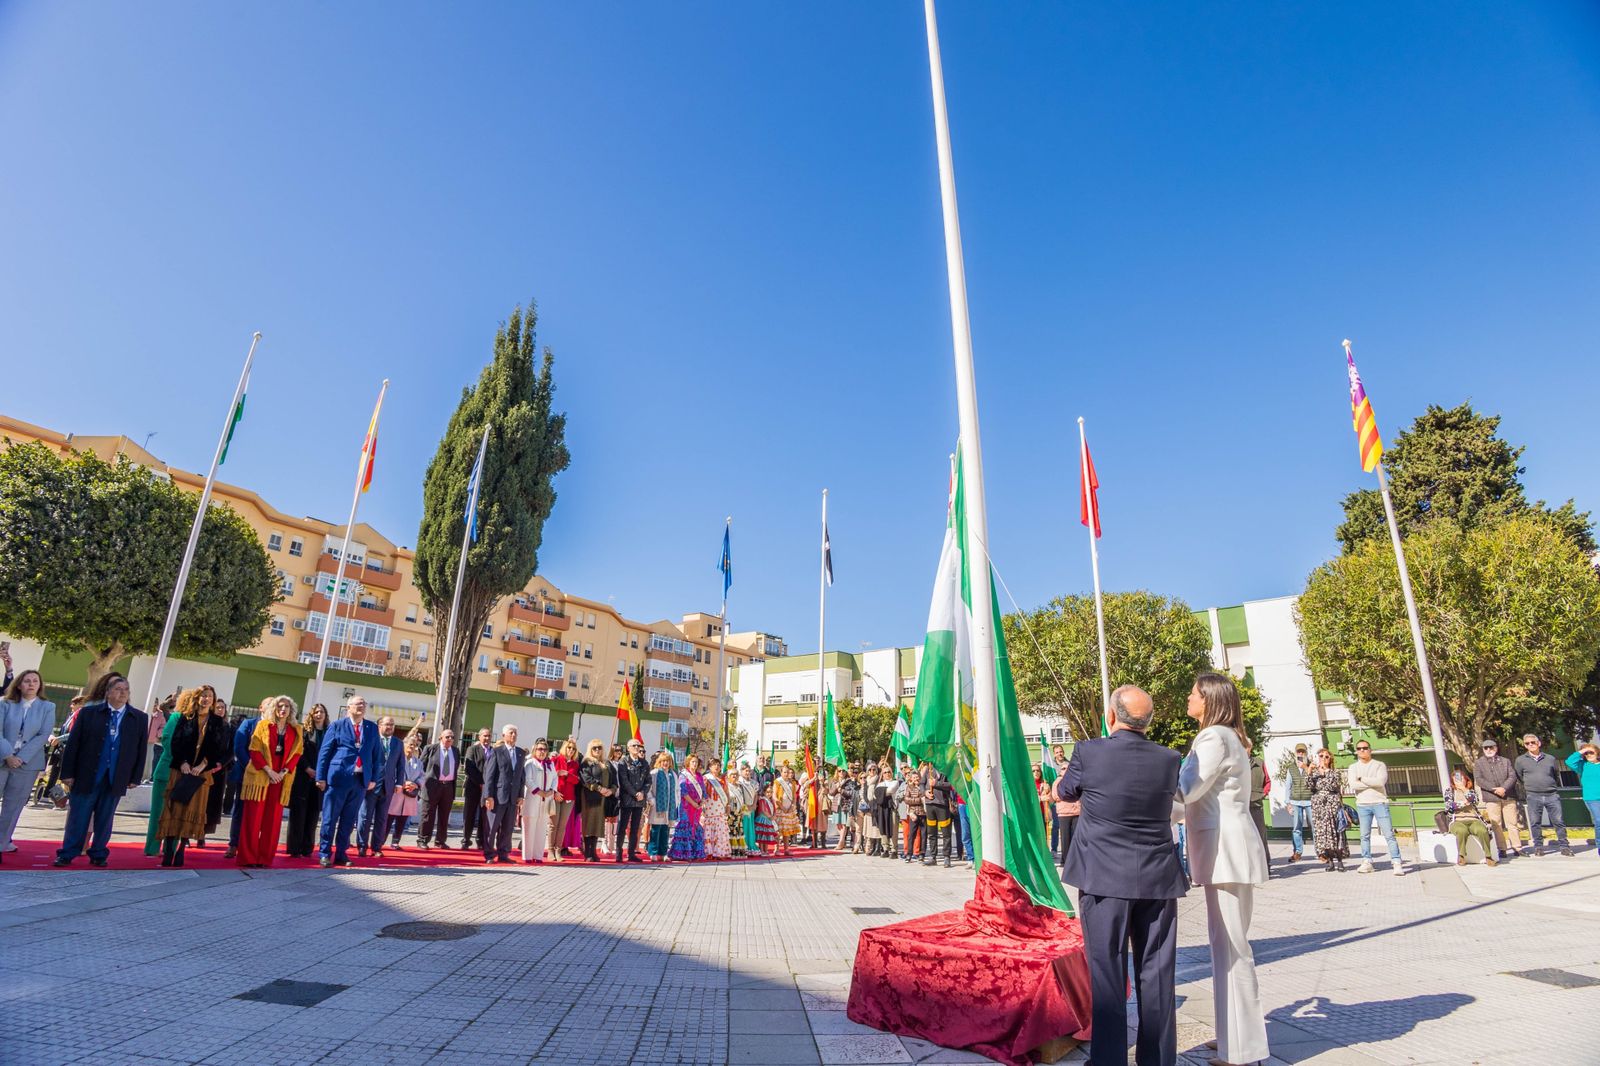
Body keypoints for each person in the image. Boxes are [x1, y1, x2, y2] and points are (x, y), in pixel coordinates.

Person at [1059, 684, 1188, 1066]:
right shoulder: (1170, 758)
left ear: (1111, 716)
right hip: (1158, 879)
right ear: (1148, 722)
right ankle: (1158, 1060)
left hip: (1103, 879)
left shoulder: (1088, 751)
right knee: (1158, 975)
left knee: (1107, 975)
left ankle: (1109, 1060)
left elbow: (1066, 792)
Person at [1178, 673, 1269, 1066]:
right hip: (1225, 851)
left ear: (1210, 700)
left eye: (1194, 693)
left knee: (1232, 948)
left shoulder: (1213, 737)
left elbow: (1187, 790)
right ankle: (1232, 1034)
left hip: (1226, 853)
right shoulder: (1226, 736)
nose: (1189, 698)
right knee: (1224, 946)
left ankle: (1243, 1050)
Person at [54, 674, 149, 867]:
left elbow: (141, 750)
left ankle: (98, 853)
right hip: (87, 773)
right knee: (78, 817)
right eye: (118, 689)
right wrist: (67, 773)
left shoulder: (138, 718)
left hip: (116, 776)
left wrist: (135, 777)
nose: (122, 693)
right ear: (108, 692)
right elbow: (74, 744)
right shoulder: (89, 713)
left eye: (126, 690)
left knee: (105, 819)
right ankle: (68, 852)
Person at [152, 687, 223, 868]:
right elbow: (175, 742)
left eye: (210, 696)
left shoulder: (217, 721)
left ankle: (181, 850)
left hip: (201, 774)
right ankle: (168, 852)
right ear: (197, 698)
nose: (206, 699)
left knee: (192, 811)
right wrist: (182, 762)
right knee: (174, 809)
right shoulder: (186, 717)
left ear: (213, 700)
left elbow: (217, 747)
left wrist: (202, 766)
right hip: (180, 771)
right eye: (203, 696)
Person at [315, 695, 381, 868]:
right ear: (348, 707)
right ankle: (324, 853)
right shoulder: (337, 725)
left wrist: (373, 778)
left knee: (348, 820)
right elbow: (325, 752)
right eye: (358, 703)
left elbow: (377, 756)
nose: (362, 706)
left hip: (359, 780)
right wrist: (320, 777)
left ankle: (341, 854)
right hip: (338, 778)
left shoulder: (372, 728)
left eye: (364, 704)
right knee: (330, 818)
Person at [237, 695, 303, 868]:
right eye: (280, 706)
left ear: (291, 710)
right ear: (274, 708)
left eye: (287, 706)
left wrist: (283, 772)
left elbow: (297, 753)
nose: (283, 709)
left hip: (281, 779)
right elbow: (254, 750)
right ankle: (248, 858)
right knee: (253, 819)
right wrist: (269, 771)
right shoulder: (263, 725)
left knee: (272, 821)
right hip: (260, 776)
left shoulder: (296, 729)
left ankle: (264, 859)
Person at [0, 670, 54, 859]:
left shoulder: (48, 707)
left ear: (40, 685)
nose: (31, 684)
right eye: (27, 681)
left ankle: (2, 843)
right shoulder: (5, 704)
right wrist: (8, 755)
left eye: (35, 681)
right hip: (2, 758)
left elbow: (43, 734)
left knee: (13, 806)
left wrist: (21, 757)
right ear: (19, 684)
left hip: (27, 763)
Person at [1346, 740, 1405, 875]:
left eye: (1365, 748)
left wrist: (1362, 779)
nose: (1362, 750)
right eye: (1359, 748)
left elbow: (1380, 782)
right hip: (1362, 804)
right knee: (1364, 835)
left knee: (1389, 834)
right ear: (1356, 751)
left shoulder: (1379, 765)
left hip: (1380, 802)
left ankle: (1396, 862)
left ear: (1370, 750)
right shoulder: (1353, 767)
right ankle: (1367, 861)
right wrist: (1370, 782)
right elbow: (1353, 785)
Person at [1515, 734, 1572, 857]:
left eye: (1533, 742)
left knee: (1558, 821)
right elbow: (1520, 777)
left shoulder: (1550, 758)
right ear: (1525, 745)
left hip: (1551, 795)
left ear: (1539, 743)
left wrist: (1550, 786)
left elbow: (1556, 775)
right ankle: (1538, 847)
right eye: (1527, 743)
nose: (1530, 744)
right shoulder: (1520, 760)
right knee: (1535, 822)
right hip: (1533, 795)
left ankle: (1564, 846)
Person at [357, 715, 405, 859]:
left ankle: (377, 847)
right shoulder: (371, 740)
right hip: (371, 785)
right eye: (387, 724)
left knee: (382, 819)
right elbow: (365, 761)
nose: (390, 727)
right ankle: (362, 846)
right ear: (379, 726)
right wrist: (365, 780)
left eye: (392, 724)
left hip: (388, 786)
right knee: (365, 817)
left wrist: (399, 783)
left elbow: (401, 765)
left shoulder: (398, 743)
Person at [286, 704, 328, 857]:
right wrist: (307, 768)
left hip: (320, 779)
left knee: (313, 815)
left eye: (321, 712)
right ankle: (294, 848)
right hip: (303, 777)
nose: (319, 714)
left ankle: (307, 848)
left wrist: (321, 773)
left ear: (325, 715)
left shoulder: (329, 732)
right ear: (311, 714)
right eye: (316, 712)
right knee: (298, 814)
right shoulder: (303, 731)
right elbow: (298, 752)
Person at [210, 701, 252, 852]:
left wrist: (221, 763)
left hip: (222, 768)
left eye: (222, 707)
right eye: (217, 707)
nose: (220, 710)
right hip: (204, 768)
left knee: (216, 802)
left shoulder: (229, 727)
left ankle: (205, 833)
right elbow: (238, 748)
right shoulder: (206, 724)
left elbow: (231, 750)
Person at [481, 725, 524, 863]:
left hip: (512, 797)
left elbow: (521, 776)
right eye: (511, 733)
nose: (514, 735)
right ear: (504, 735)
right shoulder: (497, 751)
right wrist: (488, 796)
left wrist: (520, 795)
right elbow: (489, 775)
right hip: (497, 796)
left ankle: (503, 854)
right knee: (492, 827)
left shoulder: (520, 753)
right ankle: (489, 854)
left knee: (507, 828)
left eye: (515, 733)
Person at [1473, 739, 1523, 858]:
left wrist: (1503, 788)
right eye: (1486, 748)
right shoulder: (1479, 763)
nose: (1489, 750)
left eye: (1491, 747)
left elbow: (1512, 776)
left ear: (1496, 748)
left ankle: (1517, 848)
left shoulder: (1505, 761)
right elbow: (1479, 779)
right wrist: (1494, 789)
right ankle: (1502, 849)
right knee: (1496, 825)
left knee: (1512, 823)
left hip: (1508, 796)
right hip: (1491, 798)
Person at [415, 728, 459, 850]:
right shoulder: (430, 749)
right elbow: (421, 767)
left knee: (444, 816)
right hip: (431, 786)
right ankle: (423, 839)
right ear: (441, 737)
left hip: (448, 787)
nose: (450, 739)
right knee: (428, 815)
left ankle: (440, 841)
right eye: (447, 737)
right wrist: (420, 783)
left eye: (452, 737)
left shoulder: (455, 751)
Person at [1445, 768, 1498, 867]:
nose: (1459, 781)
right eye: (1456, 779)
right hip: (1457, 820)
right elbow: (1449, 806)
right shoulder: (1450, 791)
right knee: (1461, 831)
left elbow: (1474, 800)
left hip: (1473, 819)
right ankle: (1461, 856)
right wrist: (1463, 803)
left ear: (1465, 779)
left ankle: (1488, 856)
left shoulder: (1470, 790)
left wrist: (1464, 789)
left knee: (1482, 830)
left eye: (1461, 779)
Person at [1308, 749, 1348, 872]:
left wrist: (1324, 773)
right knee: (1323, 835)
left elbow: (1332, 786)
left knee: (1335, 833)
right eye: (1321, 756)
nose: (1323, 758)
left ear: (1330, 759)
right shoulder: (1314, 773)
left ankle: (1340, 861)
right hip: (1319, 808)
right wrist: (1309, 772)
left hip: (1332, 805)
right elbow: (1309, 786)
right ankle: (1330, 862)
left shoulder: (1335, 773)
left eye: (1326, 757)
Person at [521, 737, 559, 863]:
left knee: (542, 829)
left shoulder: (550, 764)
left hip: (546, 800)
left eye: (545, 749)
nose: (542, 751)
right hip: (533, 799)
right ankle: (527, 856)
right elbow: (528, 780)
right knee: (529, 829)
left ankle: (538, 856)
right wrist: (539, 791)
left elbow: (555, 778)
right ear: (535, 750)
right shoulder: (530, 763)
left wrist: (552, 790)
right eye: (540, 749)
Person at [385, 732, 425, 848]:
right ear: (404, 744)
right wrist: (403, 783)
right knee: (388, 819)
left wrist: (416, 784)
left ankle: (395, 841)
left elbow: (423, 776)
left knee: (402, 820)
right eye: (410, 744)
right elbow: (390, 773)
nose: (412, 747)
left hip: (409, 795)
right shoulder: (395, 759)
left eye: (414, 745)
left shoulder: (418, 762)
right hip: (396, 793)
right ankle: (380, 841)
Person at [577, 739, 615, 862]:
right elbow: (585, 778)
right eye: (594, 748)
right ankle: (588, 853)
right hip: (590, 798)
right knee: (589, 825)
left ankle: (593, 852)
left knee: (598, 825)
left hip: (603, 799)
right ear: (590, 749)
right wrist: (599, 788)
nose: (597, 750)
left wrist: (611, 790)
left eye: (599, 747)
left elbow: (614, 780)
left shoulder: (607, 763)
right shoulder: (586, 763)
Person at [614, 738, 651, 863]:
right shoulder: (623, 762)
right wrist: (635, 793)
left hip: (639, 800)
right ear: (628, 748)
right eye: (634, 745)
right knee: (623, 826)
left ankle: (631, 853)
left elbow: (648, 781)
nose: (636, 747)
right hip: (627, 799)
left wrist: (642, 793)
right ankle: (619, 853)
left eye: (638, 745)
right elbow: (624, 781)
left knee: (635, 828)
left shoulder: (644, 763)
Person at [669, 753, 708, 861]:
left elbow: (703, 791)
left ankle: (695, 853)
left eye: (696, 762)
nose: (695, 764)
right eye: (693, 762)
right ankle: (683, 854)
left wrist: (702, 801)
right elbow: (683, 791)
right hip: (686, 807)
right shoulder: (683, 775)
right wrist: (693, 803)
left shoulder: (699, 776)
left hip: (697, 807)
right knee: (685, 827)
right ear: (688, 763)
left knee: (695, 827)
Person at [460, 727, 493, 850]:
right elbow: (469, 768)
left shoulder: (493, 751)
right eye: (485, 736)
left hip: (487, 790)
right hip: (473, 788)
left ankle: (481, 841)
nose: (487, 738)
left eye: (489, 736)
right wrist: (481, 782)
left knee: (484, 816)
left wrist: (488, 785)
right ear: (479, 737)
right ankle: (466, 840)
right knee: (469, 815)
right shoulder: (472, 749)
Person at [1280, 746, 1314, 864]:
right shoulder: (1291, 768)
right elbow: (1288, 786)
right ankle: (1297, 852)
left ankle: (1320, 852)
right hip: (1295, 801)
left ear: (1306, 753)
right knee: (1296, 828)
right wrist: (1287, 802)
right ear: (1295, 753)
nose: (1300, 754)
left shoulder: (1311, 765)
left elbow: (1315, 782)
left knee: (1315, 827)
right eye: (1298, 752)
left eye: (1302, 752)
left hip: (1310, 801)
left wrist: (1306, 768)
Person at [1564, 742, 1600, 852]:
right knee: (1599, 820)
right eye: (1586, 753)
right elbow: (1569, 761)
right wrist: (1581, 751)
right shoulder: (1583, 766)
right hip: (1592, 798)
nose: (1589, 755)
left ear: (1597, 752)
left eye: (1591, 752)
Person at [550, 737, 581, 860]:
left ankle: (558, 850)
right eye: (569, 747)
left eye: (573, 749)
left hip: (569, 798)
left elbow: (577, 780)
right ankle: (550, 850)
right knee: (553, 824)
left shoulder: (575, 764)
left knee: (562, 825)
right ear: (564, 748)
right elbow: (549, 777)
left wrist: (567, 774)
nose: (571, 750)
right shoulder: (555, 760)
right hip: (555, 795)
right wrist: (554, 792)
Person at [646, 751, 678, 861]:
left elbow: (677, 790)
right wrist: (652, 800)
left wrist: (676, 802)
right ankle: (653, 852)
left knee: (665, 830)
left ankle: (663, 853)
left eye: (667, 761)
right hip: (657, 806)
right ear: (659, 761)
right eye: (663, 761)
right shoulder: (654, 773)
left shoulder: (673, 774)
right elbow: (648, 789)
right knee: (656, 830)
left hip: (669, 806)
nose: (665, 763)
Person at [1245, 740, 1272, 875]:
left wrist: (1263, 794)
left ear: (1250, 748)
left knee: (1261, 836)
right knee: (1244, 838)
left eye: (1246, 746)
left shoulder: (1259, 762)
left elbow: (1267, 781)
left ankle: (1266, 865)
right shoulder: (1235, 763)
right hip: (1241, 806)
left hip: (1256, 805)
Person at [923, 769, 956, 868]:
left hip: (942, 805)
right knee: (931, 833)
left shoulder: (946, 769)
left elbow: (951, 785)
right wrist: (925, 792)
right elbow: (921, 784)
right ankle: (933, 856)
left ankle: (946, 857)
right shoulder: (928, 770)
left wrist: (936, 783)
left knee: (946, 833)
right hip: (930, 804)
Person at [703, 759, 731, 859]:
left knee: (720, 829)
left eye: (718, 765)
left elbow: (727, 793)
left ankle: (719, 852)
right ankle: (709, 852)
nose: (716, 767)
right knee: (709, 829)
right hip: (709, 806)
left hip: (720, 807)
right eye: (714, 765)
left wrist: (728, 805)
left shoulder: (723, 779)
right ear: (710, 767)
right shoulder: (706, 778)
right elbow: (702, 793)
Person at [773, 763, 801, 856]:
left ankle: (786, 849)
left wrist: (792, 806)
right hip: (780, 809)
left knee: (787, 831)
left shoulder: (792, 783)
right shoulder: (777, 782)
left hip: (789, 809)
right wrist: (782, 807)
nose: (786, 774)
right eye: (784, 772)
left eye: (788, 772)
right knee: (778, 830)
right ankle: (776, 849)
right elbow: (774, 796)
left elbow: (794, 797)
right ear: (781, 773)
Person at [603, 743, 624, 856]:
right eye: (616, 750)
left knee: (615, 819)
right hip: (610, 792)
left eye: (620, 750)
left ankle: (612, 844)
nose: (618, 752)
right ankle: (604, 843)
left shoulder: (622, 764)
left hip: (619, 794)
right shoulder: (607, 763)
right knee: (607, 819)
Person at [725, 767, 749, 858]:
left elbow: (743, 800)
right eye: (732, 775)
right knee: (731, 831)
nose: (734, 776)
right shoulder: (726, 786)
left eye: (736, 774)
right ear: (728, 776)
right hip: (730, 813)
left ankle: (738, 851)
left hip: (739, 812)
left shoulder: (740, 787)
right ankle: (730, 851)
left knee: (738, 831)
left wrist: (743, 811)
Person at [754, 782, 780, 854]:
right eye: (767, 792)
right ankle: (762, 850)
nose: (769, 794)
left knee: (766, 835)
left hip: (769, 819)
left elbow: (774, 809)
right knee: (762, 835)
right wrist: (771, 817)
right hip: (763, 819)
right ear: (764, 792)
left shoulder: (771, 801)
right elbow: (763, 810)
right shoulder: (762, 799)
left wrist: (774, 816)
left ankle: (766, 850)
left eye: (771, 792)